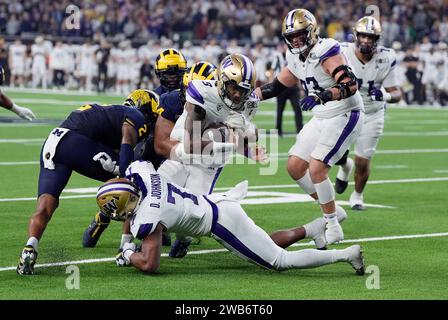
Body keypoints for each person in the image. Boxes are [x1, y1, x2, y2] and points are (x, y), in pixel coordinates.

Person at [105, 161, 365, 275]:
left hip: (220, 223)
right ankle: (314, 229)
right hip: (218, 204)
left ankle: (346, 255)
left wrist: (128, 254)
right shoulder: (142, 175)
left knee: (279, 261)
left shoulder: (148, 217)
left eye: (116, 208)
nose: (116, 215)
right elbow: (133, 169)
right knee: (262, 244)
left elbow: (150, 265)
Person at [17, 89, 159, 275]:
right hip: (75, 142)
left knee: (45, 205)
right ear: (149, 110)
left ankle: (30, 247)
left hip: (53, 141)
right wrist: (123, 171)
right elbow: (127, 136)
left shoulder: (113, 112)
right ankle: (125, 246)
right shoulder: (135, 116)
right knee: (133, 186)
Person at [254, 9, 364, 244]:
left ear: (312, 32)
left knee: (316, 169)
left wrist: (322, 95)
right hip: (322, 115)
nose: (296, 40)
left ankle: (333, 224)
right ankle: (331, 208)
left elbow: (350, 85)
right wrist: (246, 97)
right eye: (291, 36)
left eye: (300, 35)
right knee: (294, 167)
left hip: (345, 112)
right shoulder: (294, 56)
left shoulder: (327, 52)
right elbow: (275, 86)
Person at [159, 54, 268, 256]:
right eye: (234, 88)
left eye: (243, 91)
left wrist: (246, 129)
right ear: (221, 81)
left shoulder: (250, 103)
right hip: (183, 152)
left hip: (208, 163)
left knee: (192, 215)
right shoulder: (202, 92)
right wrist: (224, 128)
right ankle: (141, 241)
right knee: (157, 194)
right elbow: (192, 143)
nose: (237, 95)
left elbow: (250, 137)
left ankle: (183, 240)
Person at [334, 16, 402, 210]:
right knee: (334, 153)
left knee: (363, 161)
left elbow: (397, 93)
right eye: (363, 36)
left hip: (372, 113)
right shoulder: (342, 51)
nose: (366, 41)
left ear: (377, 39)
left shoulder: (386, 57)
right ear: (356, 36)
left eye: (370, 37)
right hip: (345, 109)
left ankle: (357, 195)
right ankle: (345, 166)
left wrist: (385, 95)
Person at [270, 43, 303, 136]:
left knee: (297, 108)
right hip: (281, 86)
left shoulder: (295, 56)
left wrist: (300, 87)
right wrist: (273, 85)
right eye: (285, 46)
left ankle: (299, 130)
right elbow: (272, 70)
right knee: (280, 109)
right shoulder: (278, 57)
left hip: (293, 87)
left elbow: (299, 71)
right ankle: (278, 130)